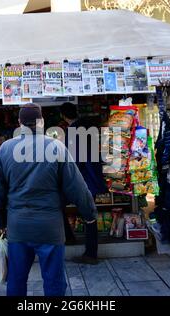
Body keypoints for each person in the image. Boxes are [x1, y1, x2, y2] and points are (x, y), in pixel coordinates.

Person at [0, 103, 97, 296]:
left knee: (16, 280)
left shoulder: (5, 149)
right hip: (50, 229)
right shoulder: (56, 146)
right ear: (42, 122)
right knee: (54, 282)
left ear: (19, 123)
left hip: (18, 228)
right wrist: (89, 213)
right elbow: (77, 186)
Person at [59, 102, 108, 265]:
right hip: (91, 178)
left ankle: (89, 252)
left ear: (63, 116)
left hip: (80, 180)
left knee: (58, 205)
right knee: (89, 215)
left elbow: (72, 160)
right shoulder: (90, 129)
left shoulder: (72, 132)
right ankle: (79, 244)